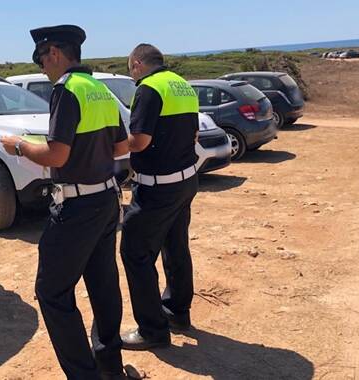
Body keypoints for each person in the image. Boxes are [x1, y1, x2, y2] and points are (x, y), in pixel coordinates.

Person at [0, 25, 137, 379]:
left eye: (42, 58)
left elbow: (57, 155)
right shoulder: (100, 90)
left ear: (55, 54)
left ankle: (84, 374)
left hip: (77, 207)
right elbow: (122, 148)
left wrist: (19, 146)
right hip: (107, 200)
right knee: (103, 284)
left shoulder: (66, 90)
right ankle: (110, 366)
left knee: (52, 292)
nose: (43, 67)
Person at [119, 43, 200, 350]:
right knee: (176, 246)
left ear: (138, 63)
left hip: (157, 188)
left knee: (135, 253)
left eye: (131, 69)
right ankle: (178, 312)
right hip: (185, 181)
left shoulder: (148, 88)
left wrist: (110, 145)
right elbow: (193, 135)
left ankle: (152, 330)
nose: (132, 74)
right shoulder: (182, 86)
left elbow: (139, 141)